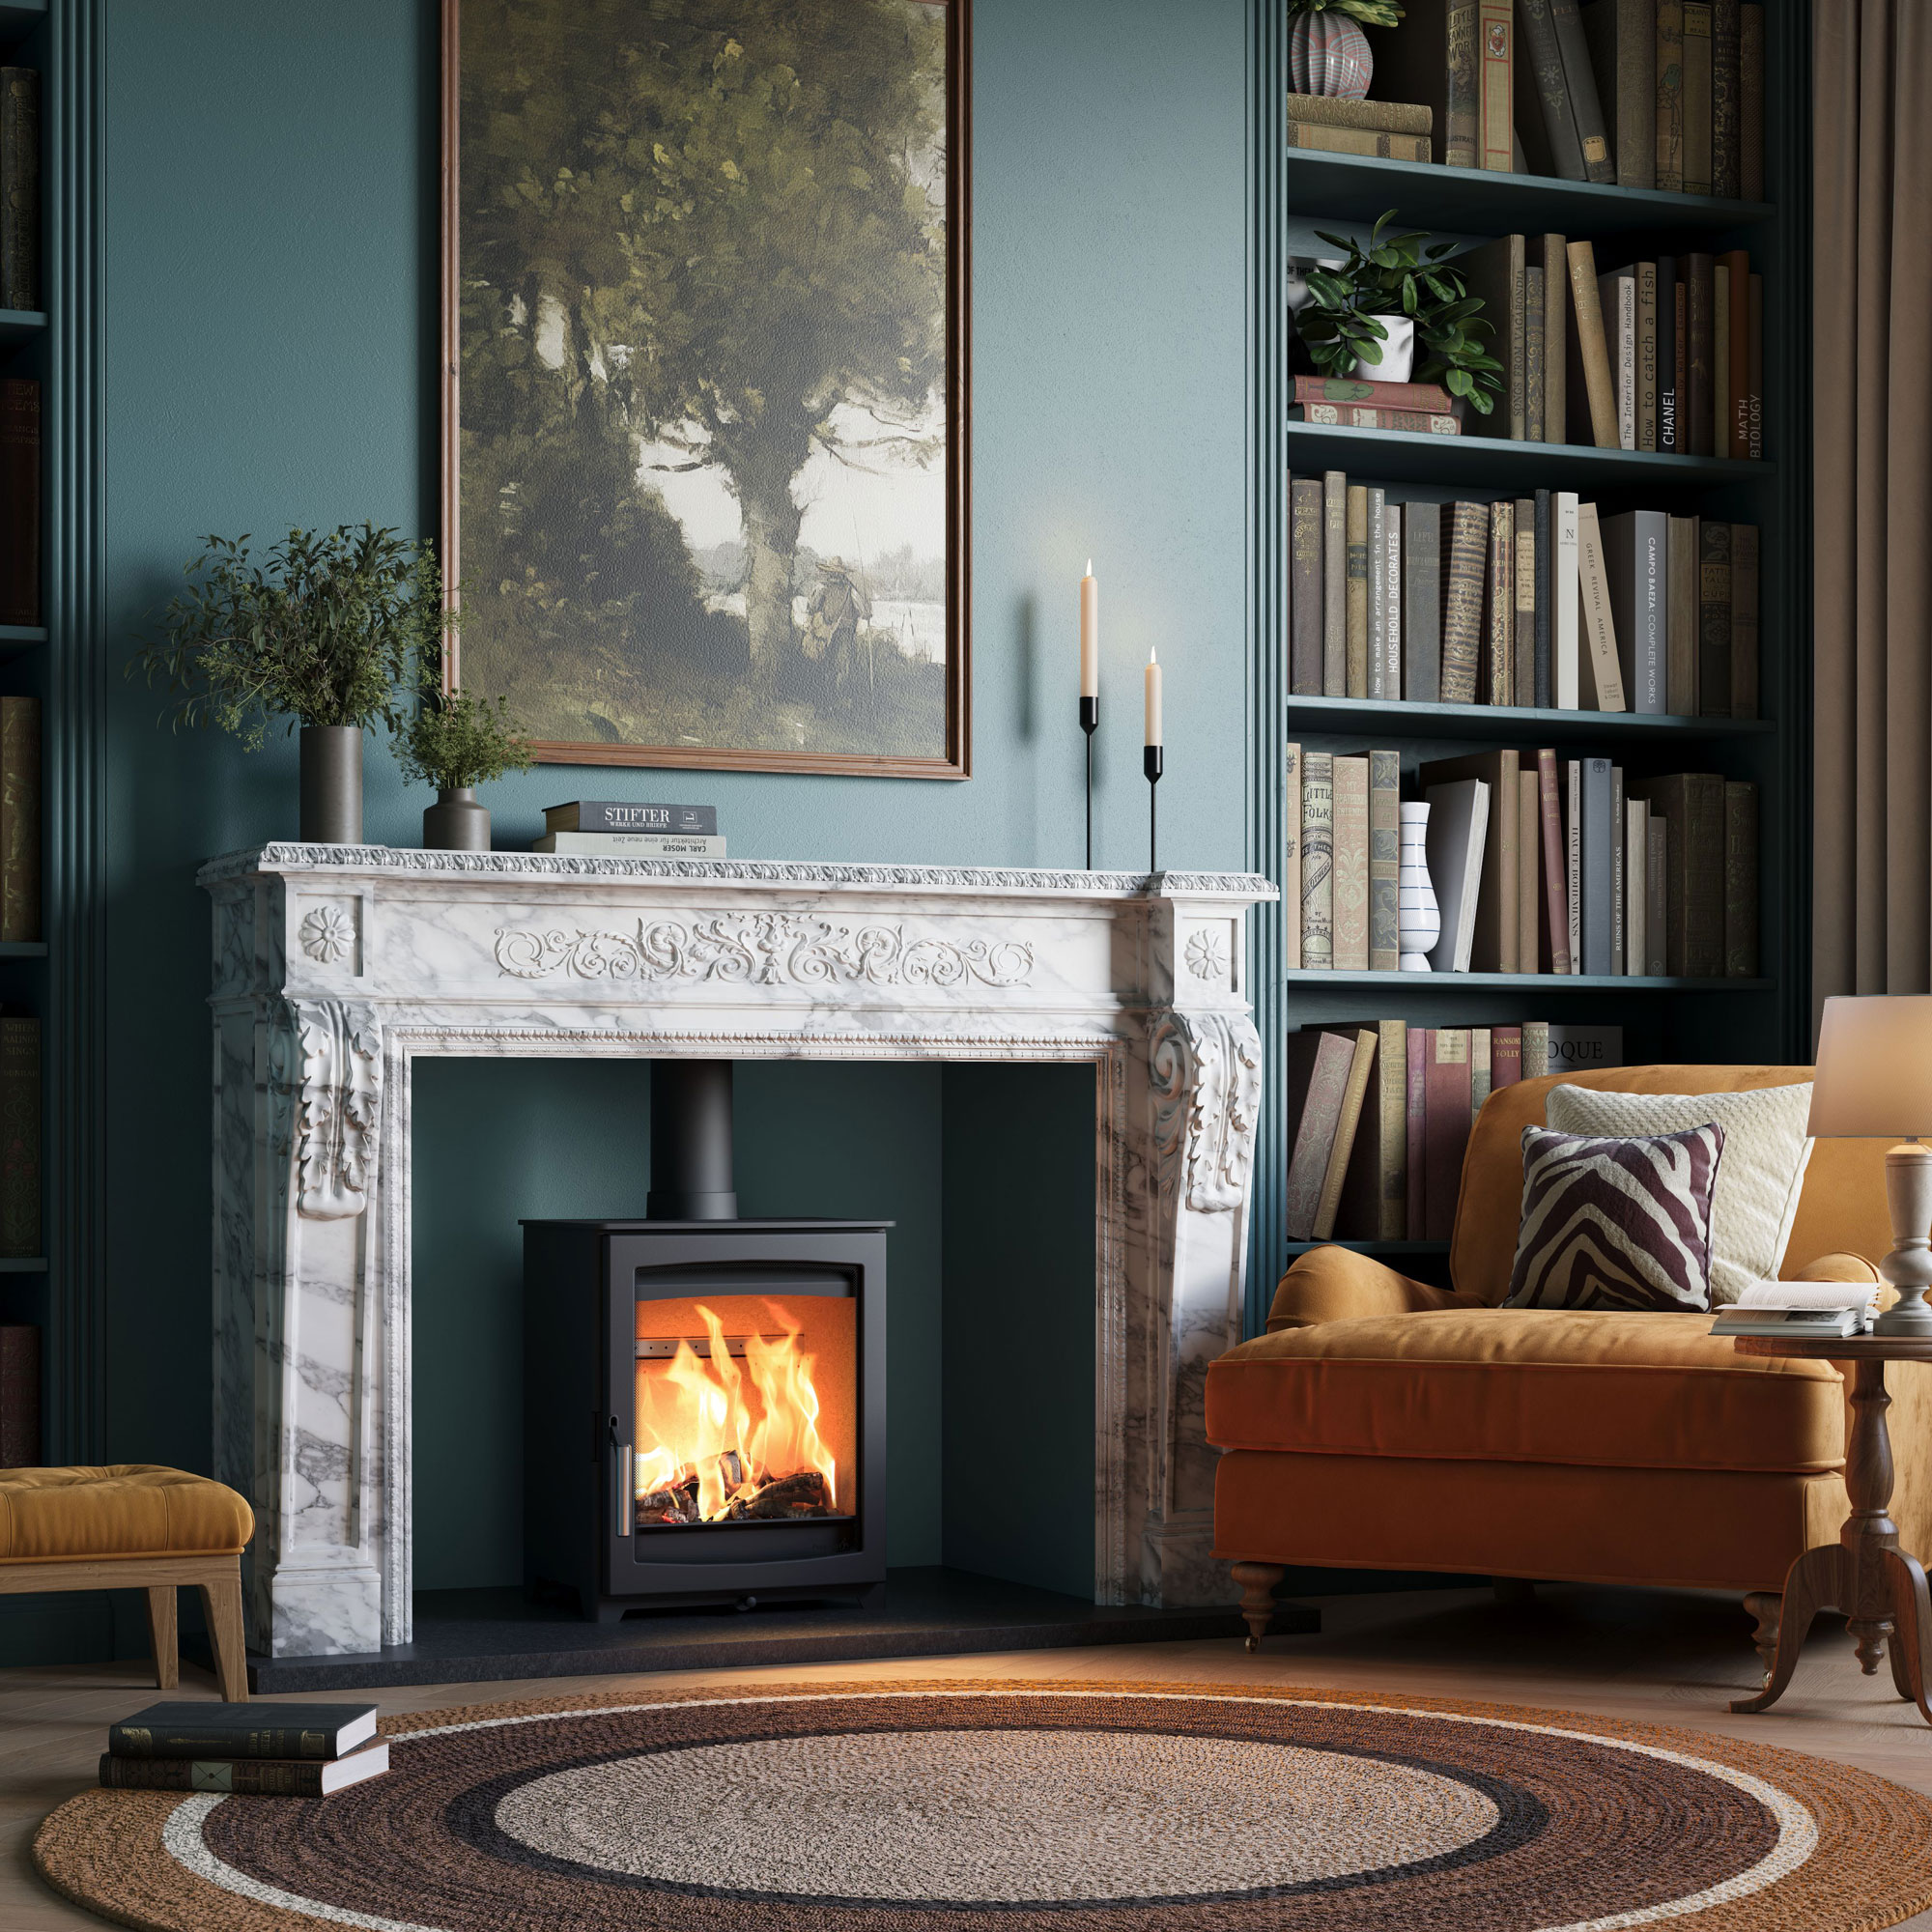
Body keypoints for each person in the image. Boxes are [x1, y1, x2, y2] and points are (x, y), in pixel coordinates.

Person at [806, 557, 871, 697]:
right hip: (837, 633)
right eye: (834, 573)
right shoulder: (848, 589)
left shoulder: (823, 587)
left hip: (831, 632)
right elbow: (862, 611)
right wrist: (867, 613)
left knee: (831, 665)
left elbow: (812, 607)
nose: (835, 576)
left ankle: (829, 697)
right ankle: (834, 697)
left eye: (835, 573)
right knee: (839, 665)